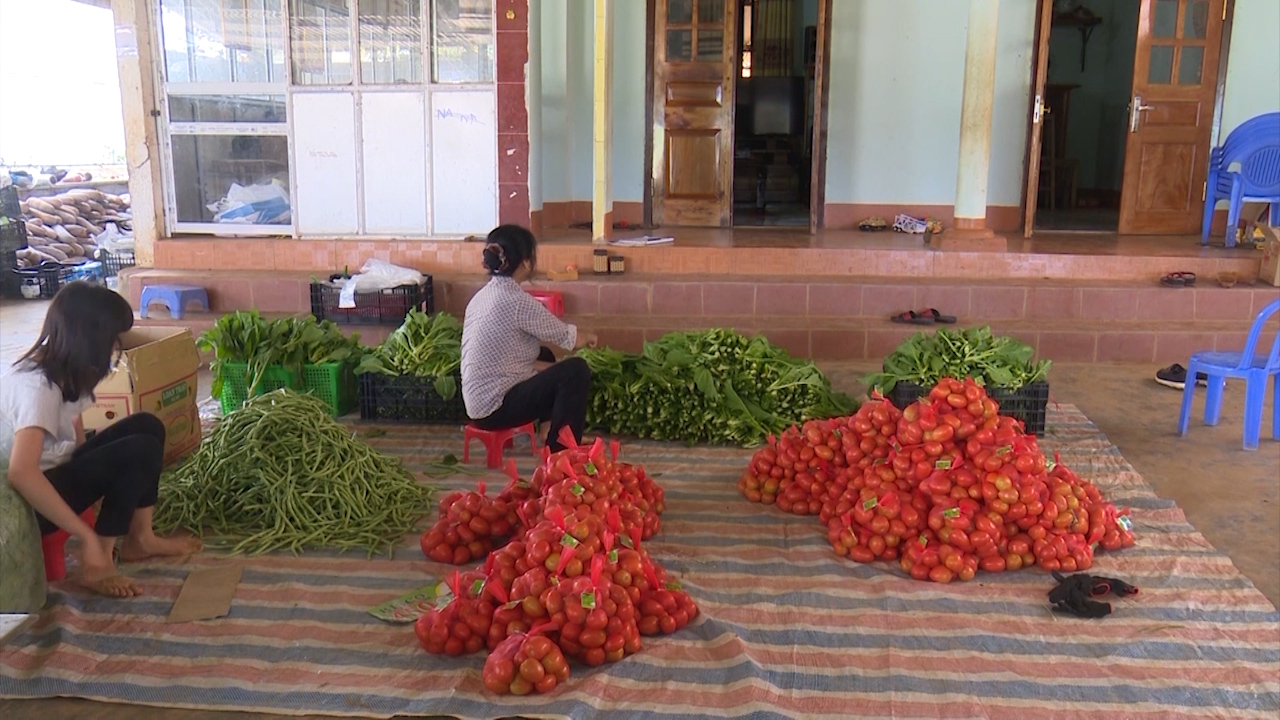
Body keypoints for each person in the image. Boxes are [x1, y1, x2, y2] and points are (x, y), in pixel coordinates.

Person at [0, 282, 201, 598]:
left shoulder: (65, 367)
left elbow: (75, 423)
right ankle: (97, 559)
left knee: (148, 427)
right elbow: (21, 473)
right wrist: (87, 536)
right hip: (19, 504)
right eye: (111, 340)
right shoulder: (36, 389)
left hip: (52, 474)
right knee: (138, 450)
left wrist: (95, 468)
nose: (114, 348)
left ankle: (140, 538)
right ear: (89, 341)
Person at [462, 225, 598, 452]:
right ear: (525, 262)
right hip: (496, 408)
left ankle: (549, 430)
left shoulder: (482, 296)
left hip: (478, 404)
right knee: (575, 371)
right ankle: (562, 449)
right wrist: (589, 337)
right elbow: (567, 338)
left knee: (543, 354)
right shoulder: (515, 301)